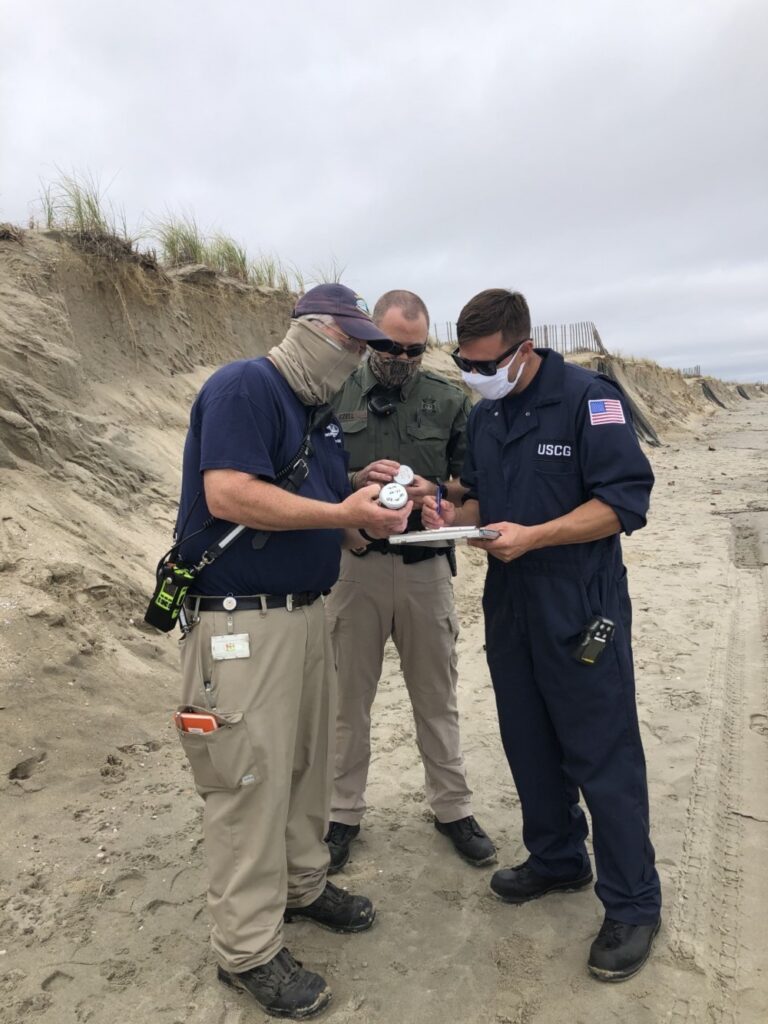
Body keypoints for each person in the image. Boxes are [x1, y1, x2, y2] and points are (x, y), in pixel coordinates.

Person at [173, 284, 413, 1020]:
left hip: (306, 617)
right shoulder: (245, 386)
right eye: (349, 341)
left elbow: (330, 523)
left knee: (306, 764)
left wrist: (368, 505)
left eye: (362, 346)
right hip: (242, 626)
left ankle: (304, 886)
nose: (357, 358)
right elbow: (230, 496)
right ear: (310, 331)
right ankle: (245, 950)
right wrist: (342, 507)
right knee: (246, 782)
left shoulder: (319, 417)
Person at [422, 288, 662, 982]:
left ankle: (634, 904)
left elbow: (624, 503)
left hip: (578, 599)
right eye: (464, 362)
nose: (474, 372)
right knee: (528, 739)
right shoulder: (488, 414)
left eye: (485, 362)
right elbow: (484, 495)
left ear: (523, 349)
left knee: (602, 754)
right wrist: (453, 508)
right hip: (511, 602)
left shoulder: (590, 400)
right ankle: (558, 857)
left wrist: (536, 536)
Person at [324, 289, 496, 872]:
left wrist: (436, 495)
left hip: (426, 570)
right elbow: (305, 474)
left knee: (437, 696)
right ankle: (341, 812)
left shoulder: (450, 399)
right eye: (390, 346)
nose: (400, 358)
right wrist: (352, 479)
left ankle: (452, 807)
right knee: (348, 701)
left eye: (414, 349)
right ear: (372, 335)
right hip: (354, 568)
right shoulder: (332, 390)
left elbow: (471, 484)